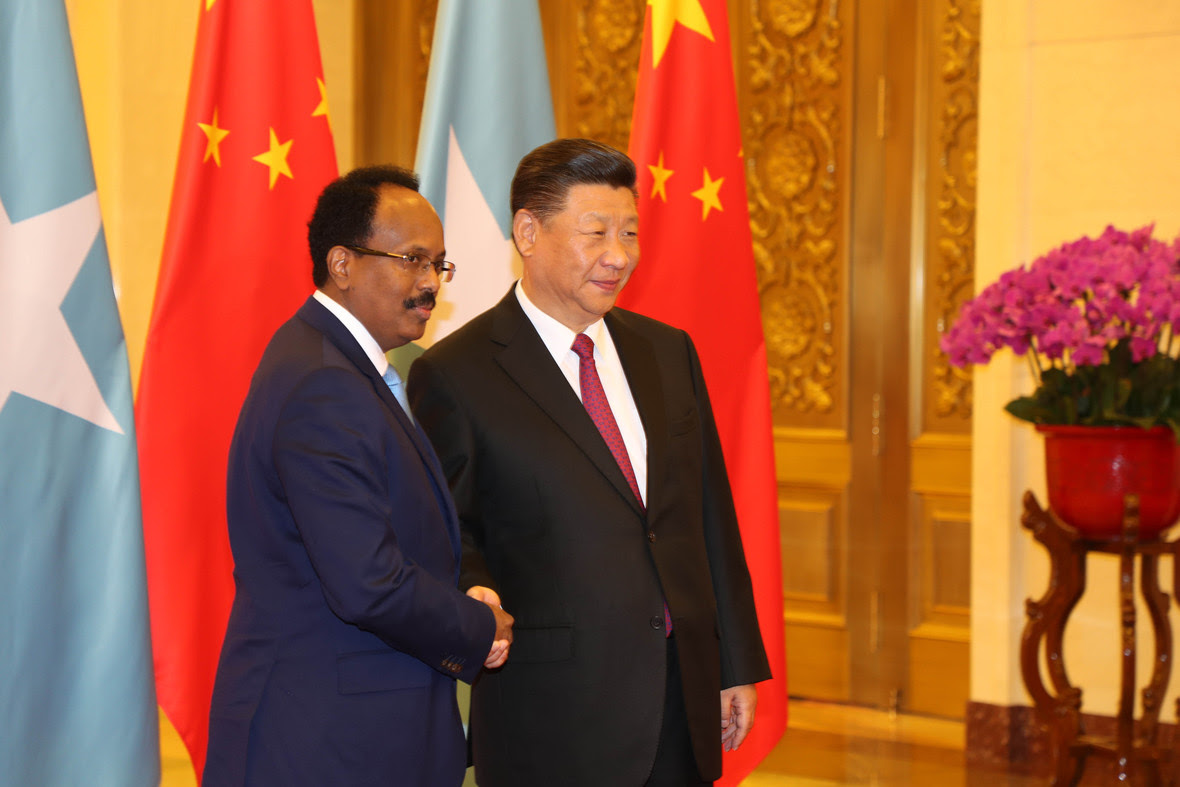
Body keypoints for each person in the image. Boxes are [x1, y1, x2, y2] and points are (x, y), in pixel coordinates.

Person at [407, 138, 771, 786]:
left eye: (629, 232)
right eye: (596, 232)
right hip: (551, 714)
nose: (618, 255)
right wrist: (474, 590)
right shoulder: (457, 373)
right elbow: (448, 530)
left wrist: (733, 662)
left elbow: (708, 514)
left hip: (679, 700)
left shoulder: (668, 352)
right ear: (528, 232)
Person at [203, 165, 513, 786]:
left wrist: (462, 591)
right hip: (323, 742)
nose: (430, 282)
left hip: (351, 731)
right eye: (412, 260)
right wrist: (479, 628)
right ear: (342, 264)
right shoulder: (325, 384)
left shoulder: (338, 366)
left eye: (439, 264)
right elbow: (367, 582)